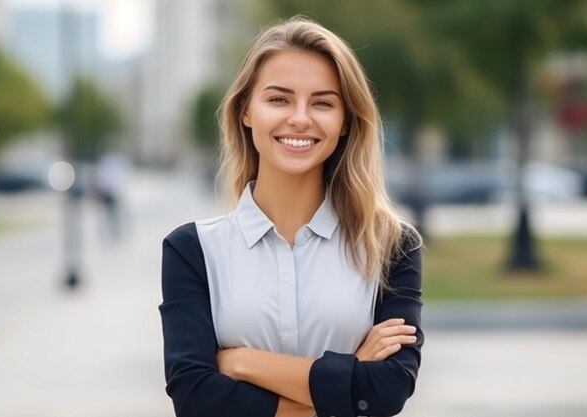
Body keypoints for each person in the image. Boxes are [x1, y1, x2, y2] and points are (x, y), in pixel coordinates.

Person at [159, 16, 424, 417]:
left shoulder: (391, 245)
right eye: (279, 99)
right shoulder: (192, 250)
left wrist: (241, 362)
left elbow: (386, 392)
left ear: (346, 123)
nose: (300, 118)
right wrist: (347, 383)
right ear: (246, 111)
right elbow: (195, 397)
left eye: (322, 102)